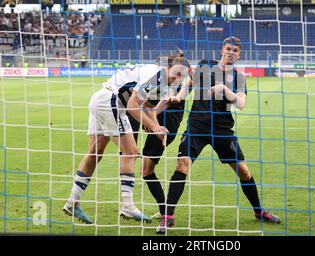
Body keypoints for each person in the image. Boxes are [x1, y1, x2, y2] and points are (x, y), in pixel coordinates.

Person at [156, 37, 281, 234]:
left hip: (222, 129)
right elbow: (188, 83)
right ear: (222, 50)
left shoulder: (239, 78)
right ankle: (167, 218)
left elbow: (240, 104)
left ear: (239, 55)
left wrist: (224, 90)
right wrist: (179, 97)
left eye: (235, 50)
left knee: (244, 172)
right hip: (197, 126)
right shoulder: (206, 66)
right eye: (228, 49)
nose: (231, 52)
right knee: (182, 164)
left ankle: (259, 212)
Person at [63, 51, 190, 224]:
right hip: (112, 101)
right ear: (168, 68)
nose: (177, 77)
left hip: (100, 99)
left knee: (95, 152)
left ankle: (72, 202)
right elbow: (132, 106)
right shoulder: (158, 75)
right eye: (176, 72)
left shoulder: (162, 82)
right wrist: (153, 126)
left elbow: (148, 107)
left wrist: (156, 127)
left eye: (181, 76)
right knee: (131, 152)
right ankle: (128, 206)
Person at [141, 51, 193, 219]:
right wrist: (150, 120)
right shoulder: (167, 79)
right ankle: (165, 210)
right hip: (163, 123)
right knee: (146, 170)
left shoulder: (181, 83)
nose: (178, 76)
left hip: (166, 125)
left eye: (181, 73)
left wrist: (151, 121)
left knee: (146, 170)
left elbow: (166, 102)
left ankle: (166, 212)